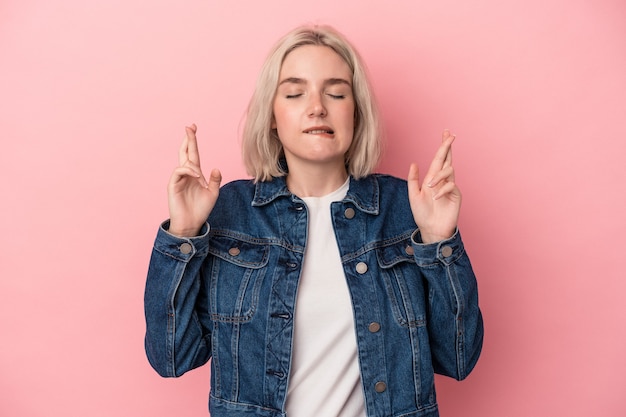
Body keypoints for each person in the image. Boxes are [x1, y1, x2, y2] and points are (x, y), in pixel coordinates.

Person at [144, 24, 483, 417]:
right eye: (294, 92)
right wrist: (182, 236)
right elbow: (172, 357)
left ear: (356, 111)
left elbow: (458, 359)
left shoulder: (405, 210)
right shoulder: (228, 214)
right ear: (272, 115)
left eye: (336, 92)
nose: (317, 106)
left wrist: (440, 244)